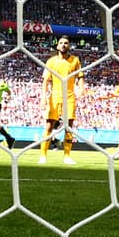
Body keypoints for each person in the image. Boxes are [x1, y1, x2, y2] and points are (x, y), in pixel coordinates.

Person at [40, 36, 84, 165]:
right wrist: (43, 97)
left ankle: (67, 156)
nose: (63, 45)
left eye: (66, 43)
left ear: (69, 46)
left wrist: (81, 89)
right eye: (61, 43)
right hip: (55, 96)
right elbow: (46, 80)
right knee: (49, 125)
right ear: (57, 46)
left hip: (69, 96)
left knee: (69, 127)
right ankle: (43, 155)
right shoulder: (51, 61)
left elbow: (80, 76)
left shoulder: (75, 60)